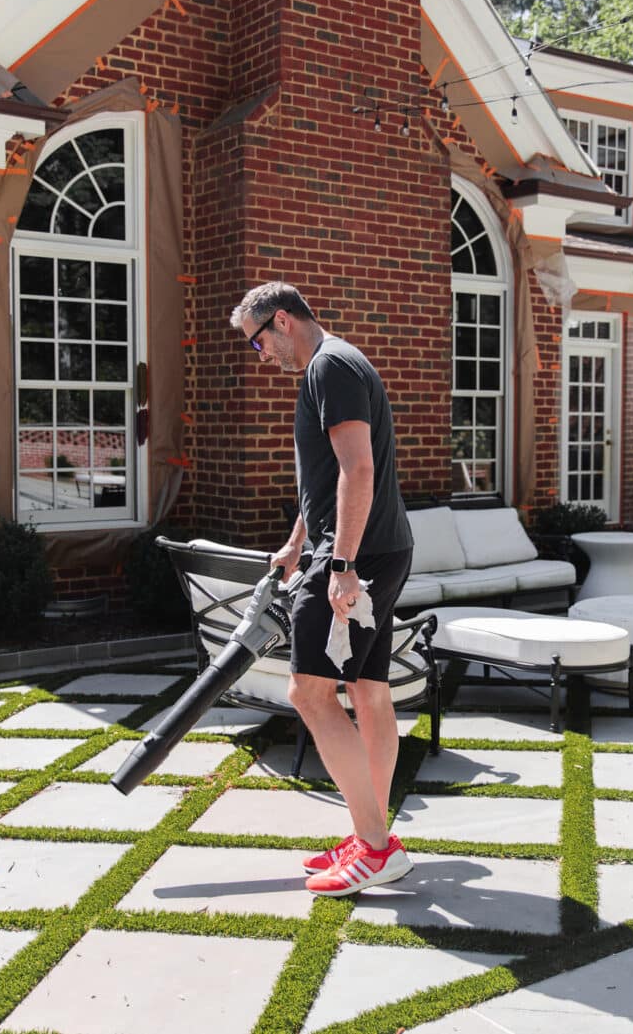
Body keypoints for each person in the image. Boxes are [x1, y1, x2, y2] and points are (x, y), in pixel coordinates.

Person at [230, 282, 415, 897]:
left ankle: (376, 846)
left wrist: (340, 564)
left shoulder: (329, 367)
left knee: (308, 694)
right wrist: (294, 541)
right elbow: (330, 478)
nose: (261, 357)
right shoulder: (339, 361)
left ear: (282, 320)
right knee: (368, 692)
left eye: (258, 342)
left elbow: (359, 469)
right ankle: (374, 836)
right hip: (379, 549)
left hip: (358, 557)